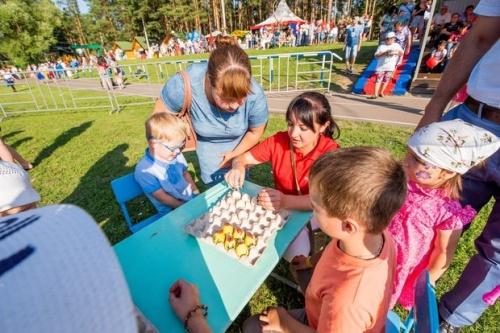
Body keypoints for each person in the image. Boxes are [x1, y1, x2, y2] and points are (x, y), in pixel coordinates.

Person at [242, 147, 407, 333]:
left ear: (347, 226)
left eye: (315, 206)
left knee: (252, 327)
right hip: (321, 309)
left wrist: (284, 323)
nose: (312, 210)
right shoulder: (372, 237)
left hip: (325, 324)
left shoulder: (348, 301)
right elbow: (334, 251)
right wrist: (310, 261)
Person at [417, 1, 500, 331]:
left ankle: (449, 320)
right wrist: (436, 103)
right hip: (476, 121)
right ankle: (402, 285)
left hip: (477, 122)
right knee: (425, 214)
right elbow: (480, 36)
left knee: (497, 253)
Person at [389, 120, 500, 310]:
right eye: (409, 154)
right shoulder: (397, 182)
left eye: (418, 160)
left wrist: (427, 281)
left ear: (448, 172)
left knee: (377, 306)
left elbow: (444, 252)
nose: (407, 161)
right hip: (374, 249)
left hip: (399, 265)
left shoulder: (447, 212)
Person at [224, 92, 340, 261]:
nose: (293, 134)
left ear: (323, 126)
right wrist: (238, 167)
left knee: (293, 253)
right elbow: (242, 159)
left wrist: (285, 201)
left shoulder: (330, 154)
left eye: (303, 128)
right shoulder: (279, 140)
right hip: (282, 205)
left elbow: (324, 201)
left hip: (314, 211)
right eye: (290, 124)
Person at [154, 43, 269, 187]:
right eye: (227, 99)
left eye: (242, 97)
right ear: (209, 81)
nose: (234, 106)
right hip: (208, 156)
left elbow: (255, 131)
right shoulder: (182, 86)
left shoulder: (256, 94)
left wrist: (236, 156)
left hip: (241, 153)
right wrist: (177, 130)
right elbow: (157, 121)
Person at [135, 113, 199, 216]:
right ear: (154, 144)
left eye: (181, 146)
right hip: (172, 212)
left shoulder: (176, 155)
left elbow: (185, 174)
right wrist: (187, 207)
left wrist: (196, 192)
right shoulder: (145, 170)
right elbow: (163, 198)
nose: (178, 151)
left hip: (190, 201)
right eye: (174, 147)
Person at [368, 32, 404, 99]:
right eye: (388, 39)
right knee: (378, 80)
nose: (389, 40)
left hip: (390, 67)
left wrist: (396, 52)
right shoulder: (382, 46)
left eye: (391, 39)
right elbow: (376, 55)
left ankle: (381, 92)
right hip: (381, 67)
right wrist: (384, 53)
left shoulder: (396, 45)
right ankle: (375, 94)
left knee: (386, 80)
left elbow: (401, 53)